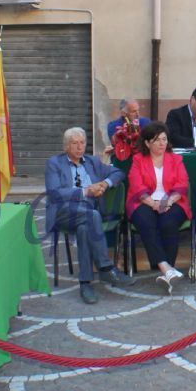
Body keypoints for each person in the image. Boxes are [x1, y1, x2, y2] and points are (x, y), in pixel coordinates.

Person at [44, 127, 134, 303]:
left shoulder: (92, 162)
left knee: (85, 226)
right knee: (91, 216)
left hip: (86, 214)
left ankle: (85, 283)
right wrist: (86, 192)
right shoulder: (54, 164)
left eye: (82, 142)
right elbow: (55, 193)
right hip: (63, 212)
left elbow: (119, 173)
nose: (79, 147)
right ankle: (105, 267)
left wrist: (105, 183)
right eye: (74, 143)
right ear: (66, 147)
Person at [126, 122, 192, 292]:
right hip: (143, 201)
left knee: (168, 222)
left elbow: (182, 183)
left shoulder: (176, 159)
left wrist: (168, 202)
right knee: (146, 223)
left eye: (164, 139)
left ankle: (166, 272)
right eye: (157, 140)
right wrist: (153, 203)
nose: (162, 143)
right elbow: (136, 186)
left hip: (173, 201)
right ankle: (166, 267)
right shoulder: (138, 160)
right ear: (147, 143)